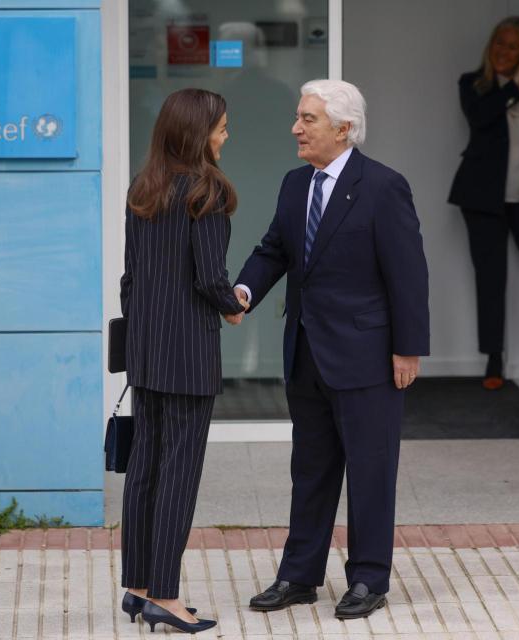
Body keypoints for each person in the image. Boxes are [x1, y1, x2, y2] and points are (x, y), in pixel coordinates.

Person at [234, 79, 430, 620]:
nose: (296, 128)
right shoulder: (296, 184)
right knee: (311, 471)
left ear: (344, 129)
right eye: (299, 118)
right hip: (306, 354)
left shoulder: (384, 187)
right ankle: (299, 576)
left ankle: (369, 579)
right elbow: (273, 249)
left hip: (368, 357)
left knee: (370, 472)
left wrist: (408, 349)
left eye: (308, 119)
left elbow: (408, 275)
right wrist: (244, 292)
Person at [118, 88, 248, 634]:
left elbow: (131, 280)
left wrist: (142, 336)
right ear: (198, 132)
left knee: (144, 468)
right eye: (220, 126)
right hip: (189, 356)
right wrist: (234, 306)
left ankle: (139, 586)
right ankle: (166, 597)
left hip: (145, 353)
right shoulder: (208, 192)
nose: (225, 135)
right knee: (179, 474)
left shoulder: (143, 187)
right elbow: (210, 278)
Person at [448, 16, 519, 390]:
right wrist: (514, 85)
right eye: (499, 44)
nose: (503, 52)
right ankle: (494, 359)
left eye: (513, 47)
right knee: (491, 281)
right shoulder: (474, 85)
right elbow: (480, 120)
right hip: (482, 199)